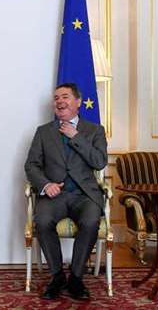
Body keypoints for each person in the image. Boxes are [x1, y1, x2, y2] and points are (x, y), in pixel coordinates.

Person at [24, 83, 107, 300]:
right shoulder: (43, 132)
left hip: (85, 196)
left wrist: (75, 136)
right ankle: (58, 276)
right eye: (56, 98)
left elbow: (99, 162)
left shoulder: (94, 130)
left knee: (90, 222)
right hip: (55, 195)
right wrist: (45, 184)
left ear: (78, 102)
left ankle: (76, 279)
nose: (59, 101)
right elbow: (31, 165)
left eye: (65, 97)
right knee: (42, 221)